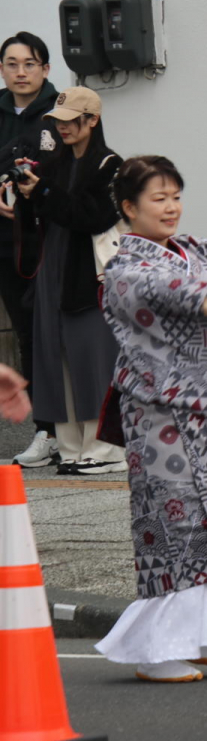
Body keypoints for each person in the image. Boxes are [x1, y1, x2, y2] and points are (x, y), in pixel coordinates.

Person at [94, 155, 207, 682]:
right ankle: (158, 651)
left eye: (175, 197)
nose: (170, 208)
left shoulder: (198, 251)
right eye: (157, 199)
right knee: (177, 528)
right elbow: (184, 297)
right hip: (156, 416)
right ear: (128, 208)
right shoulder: (124, 271)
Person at [12, 86, 125, 475]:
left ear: (92, 119)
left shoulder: (110, 165)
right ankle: (71, 447)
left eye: (70, 121)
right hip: (53, 270)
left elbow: (93, 215)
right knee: (56, 358)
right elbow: (44, 210)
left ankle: (108, 448)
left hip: (88, 274)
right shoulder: (55, 164)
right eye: (57, 122)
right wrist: (27, 192)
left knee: (93, 358)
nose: (62, 129)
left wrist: (43, 190)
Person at [0, 31, 61, 466]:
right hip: (6, 241)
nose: (21, 72)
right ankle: (45, 429)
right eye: (12, 63)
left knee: (53, 332)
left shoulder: (62, 111)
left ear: (46, 68)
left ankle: (71, 427)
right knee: (24, 331)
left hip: (49, 238)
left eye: (30, 63)